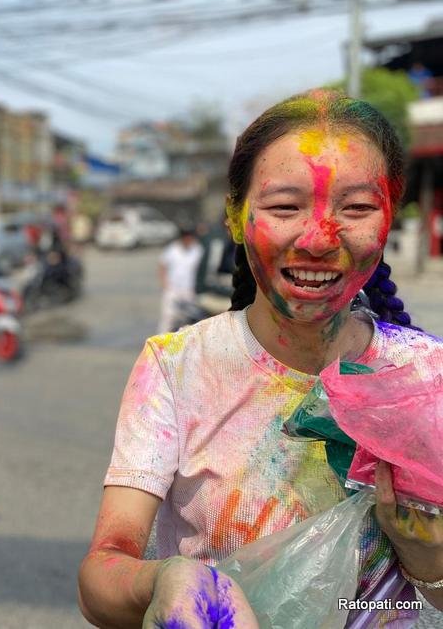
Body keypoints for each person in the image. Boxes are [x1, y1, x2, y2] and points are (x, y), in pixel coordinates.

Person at [78, 89, 443, 628]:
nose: (319, 239)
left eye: (357, 208)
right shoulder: (176, 368)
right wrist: (165, 578)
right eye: (284, 207)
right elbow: (101, 576)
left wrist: (427, 558)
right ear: (235, 214)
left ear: (390, 216)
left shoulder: (428, 375)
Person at [157, 225, 204, 334]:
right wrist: (165, 284)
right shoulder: (172, 249)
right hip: (173, 289)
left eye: (189, 236)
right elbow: (162, 265)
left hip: (190, 290)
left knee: (193, 319)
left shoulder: (198, 250)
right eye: (185, 236)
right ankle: (161, 344)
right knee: (168, 318)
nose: (187, 239)